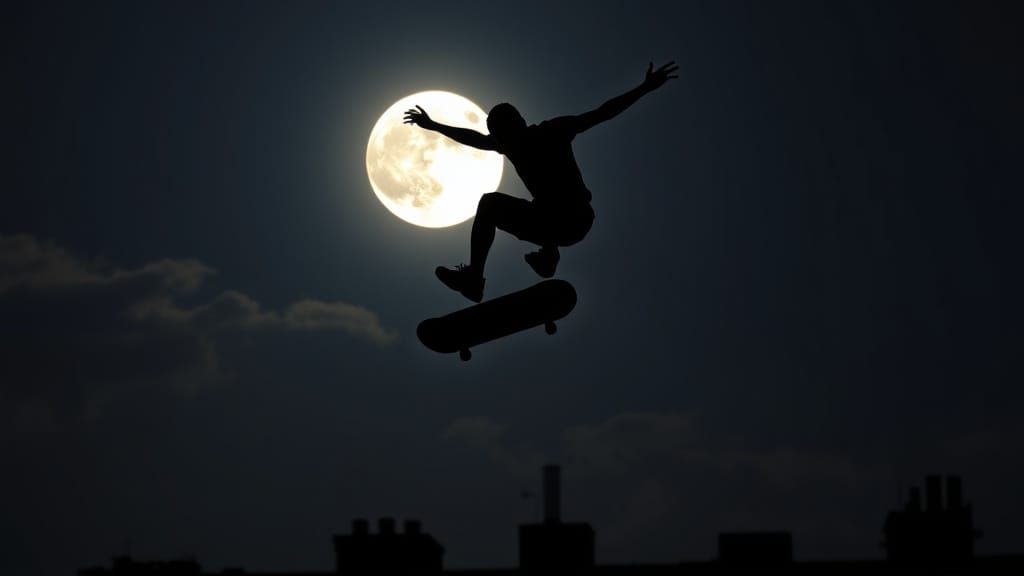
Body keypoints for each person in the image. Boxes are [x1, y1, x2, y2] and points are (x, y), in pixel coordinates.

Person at [404, 61, 679, 302]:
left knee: (499, 204)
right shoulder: (511, 143)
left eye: (502, 134)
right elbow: (474, 139)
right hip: (553, 222)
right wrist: (434, 125)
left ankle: (537, 258)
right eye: (499, 136)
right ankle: (534, 259)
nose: (501, 141)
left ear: (518, 123)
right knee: (506, 205)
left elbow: (602, 113)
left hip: (574, 216)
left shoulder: (553, 131)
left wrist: (644, 88)